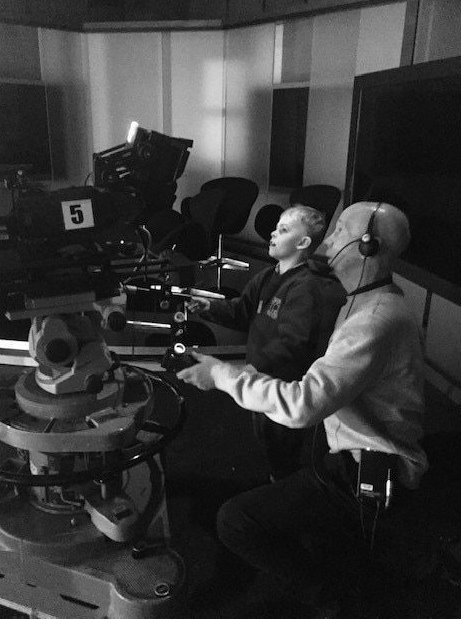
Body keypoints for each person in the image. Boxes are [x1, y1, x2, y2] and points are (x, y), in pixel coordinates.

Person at [177, 201, 428, 614]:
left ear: (366, 246)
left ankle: (335, 604)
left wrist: (223, 376)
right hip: (345, 451)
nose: (328, 240)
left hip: (370, 470)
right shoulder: (362, 301)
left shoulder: (374, 320)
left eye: (339, 231)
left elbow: (301, 406)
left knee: (235, 521)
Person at [187, 205, 328, 481]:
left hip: (281, 386)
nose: (273, 234)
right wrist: (209, 307)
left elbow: (292, 344)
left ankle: (284, 489)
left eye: (284, 230)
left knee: (282, 448)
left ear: (303, 243)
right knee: (264, 438)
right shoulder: (267, 276)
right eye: (276, 228)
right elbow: (242, 311)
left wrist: (250, 369)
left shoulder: (306, 289)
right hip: (259, 376)